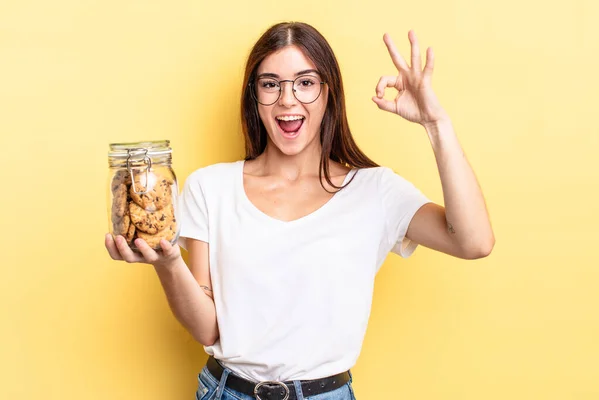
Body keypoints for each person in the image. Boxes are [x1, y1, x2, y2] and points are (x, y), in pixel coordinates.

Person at [105, 21, 494, 400]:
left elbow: (474, 242)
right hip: (227, 392)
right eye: (271, 84)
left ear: (329, 94)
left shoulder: (375, 190)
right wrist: (168, 264)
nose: (287, 100)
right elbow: (208, 330)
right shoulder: (210, 187)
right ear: (254, 97)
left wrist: (436, 124)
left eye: (305, 83)